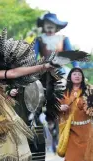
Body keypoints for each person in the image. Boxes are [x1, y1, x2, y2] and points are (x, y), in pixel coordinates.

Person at [35, 12, 79, 152]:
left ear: (56, 26)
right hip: (43, 71)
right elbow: (32, 56)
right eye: (47, 24)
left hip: (61, 71)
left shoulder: (63, 38)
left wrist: (77, 68)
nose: (49, 27)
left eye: (52, 24)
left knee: (73, 92)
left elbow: (71, 54)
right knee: (32, 93)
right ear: (43, 26)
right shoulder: (39, 40)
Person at [8, 86, 46, 161]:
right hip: (17, 128)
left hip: (35, 130)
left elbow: (48, 100)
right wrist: (9, 92)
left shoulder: (38, 82)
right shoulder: (12, 79)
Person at [58, 68, 93, 161]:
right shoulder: (64, 92)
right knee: (70, 153)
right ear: (70, 77)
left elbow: (92, 109)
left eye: (79, 74)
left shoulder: (89, 90)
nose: (77, 76)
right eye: (74, 74)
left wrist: (86, 107)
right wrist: (60, 108)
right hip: (70, 129)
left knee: (84, 155)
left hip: (86, 129)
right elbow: (55, 106)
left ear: (82, 77)